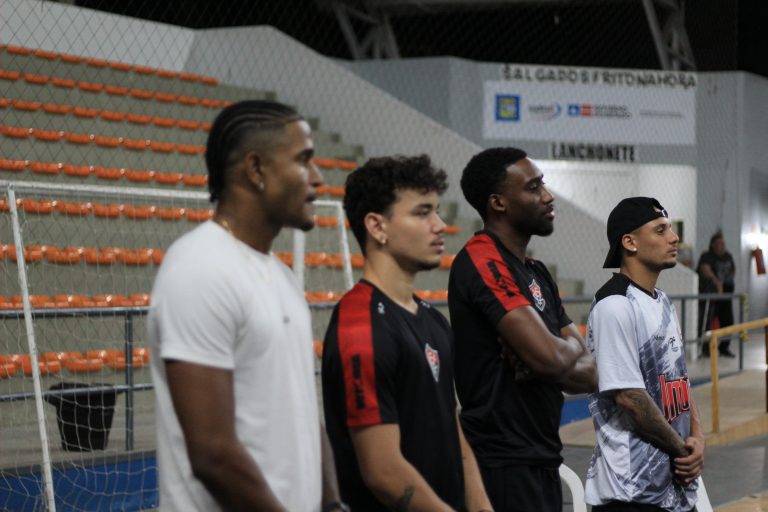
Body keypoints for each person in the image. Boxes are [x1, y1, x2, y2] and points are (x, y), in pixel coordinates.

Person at [148, 100, 345, 511]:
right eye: (303, 160)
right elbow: (213, 454)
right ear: (256, 169)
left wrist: (331, 504)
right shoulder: (200, 269)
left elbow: (304, 413)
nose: (317, 177)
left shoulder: (281, 276)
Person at [322, 155, 493, 512]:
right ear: (377, 226)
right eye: (422, 213)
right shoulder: (360, 323)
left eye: (437, 212)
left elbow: (452, 428)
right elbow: (383, 472)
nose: (440, 225)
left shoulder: (432, 318)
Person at [448, 147, 597, 512]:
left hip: (542, 459)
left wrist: (550, 356)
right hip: (500, 466)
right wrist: (555, 356)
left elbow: (591, 373)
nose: (547, 197)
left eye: (543, 185)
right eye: (533, 188)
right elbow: (552, 359)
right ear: (498, 203)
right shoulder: (482, 258)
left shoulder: (537, 272)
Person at [585, 197, 704, 512]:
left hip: (674, 487)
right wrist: (682, 451)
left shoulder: (662, 301)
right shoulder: (615, 305)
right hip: (630, 492)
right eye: (660, 230)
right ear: (630, 242)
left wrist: (697, 437)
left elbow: (678, 379)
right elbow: (630, 398)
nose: (673, 238)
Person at [697, 232, 736, 357]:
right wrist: (716, 281)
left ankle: (724, 347)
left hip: (726, 295)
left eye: (723, 243)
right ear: (713, 245)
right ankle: (705, 348)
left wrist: (729, 280)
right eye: (719, 243)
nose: (722, 246)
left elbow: (732, 269)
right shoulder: (707, 256)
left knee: (728, 321)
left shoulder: (727, 256)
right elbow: (704, 269)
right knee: (707, 322)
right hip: (712, 295)